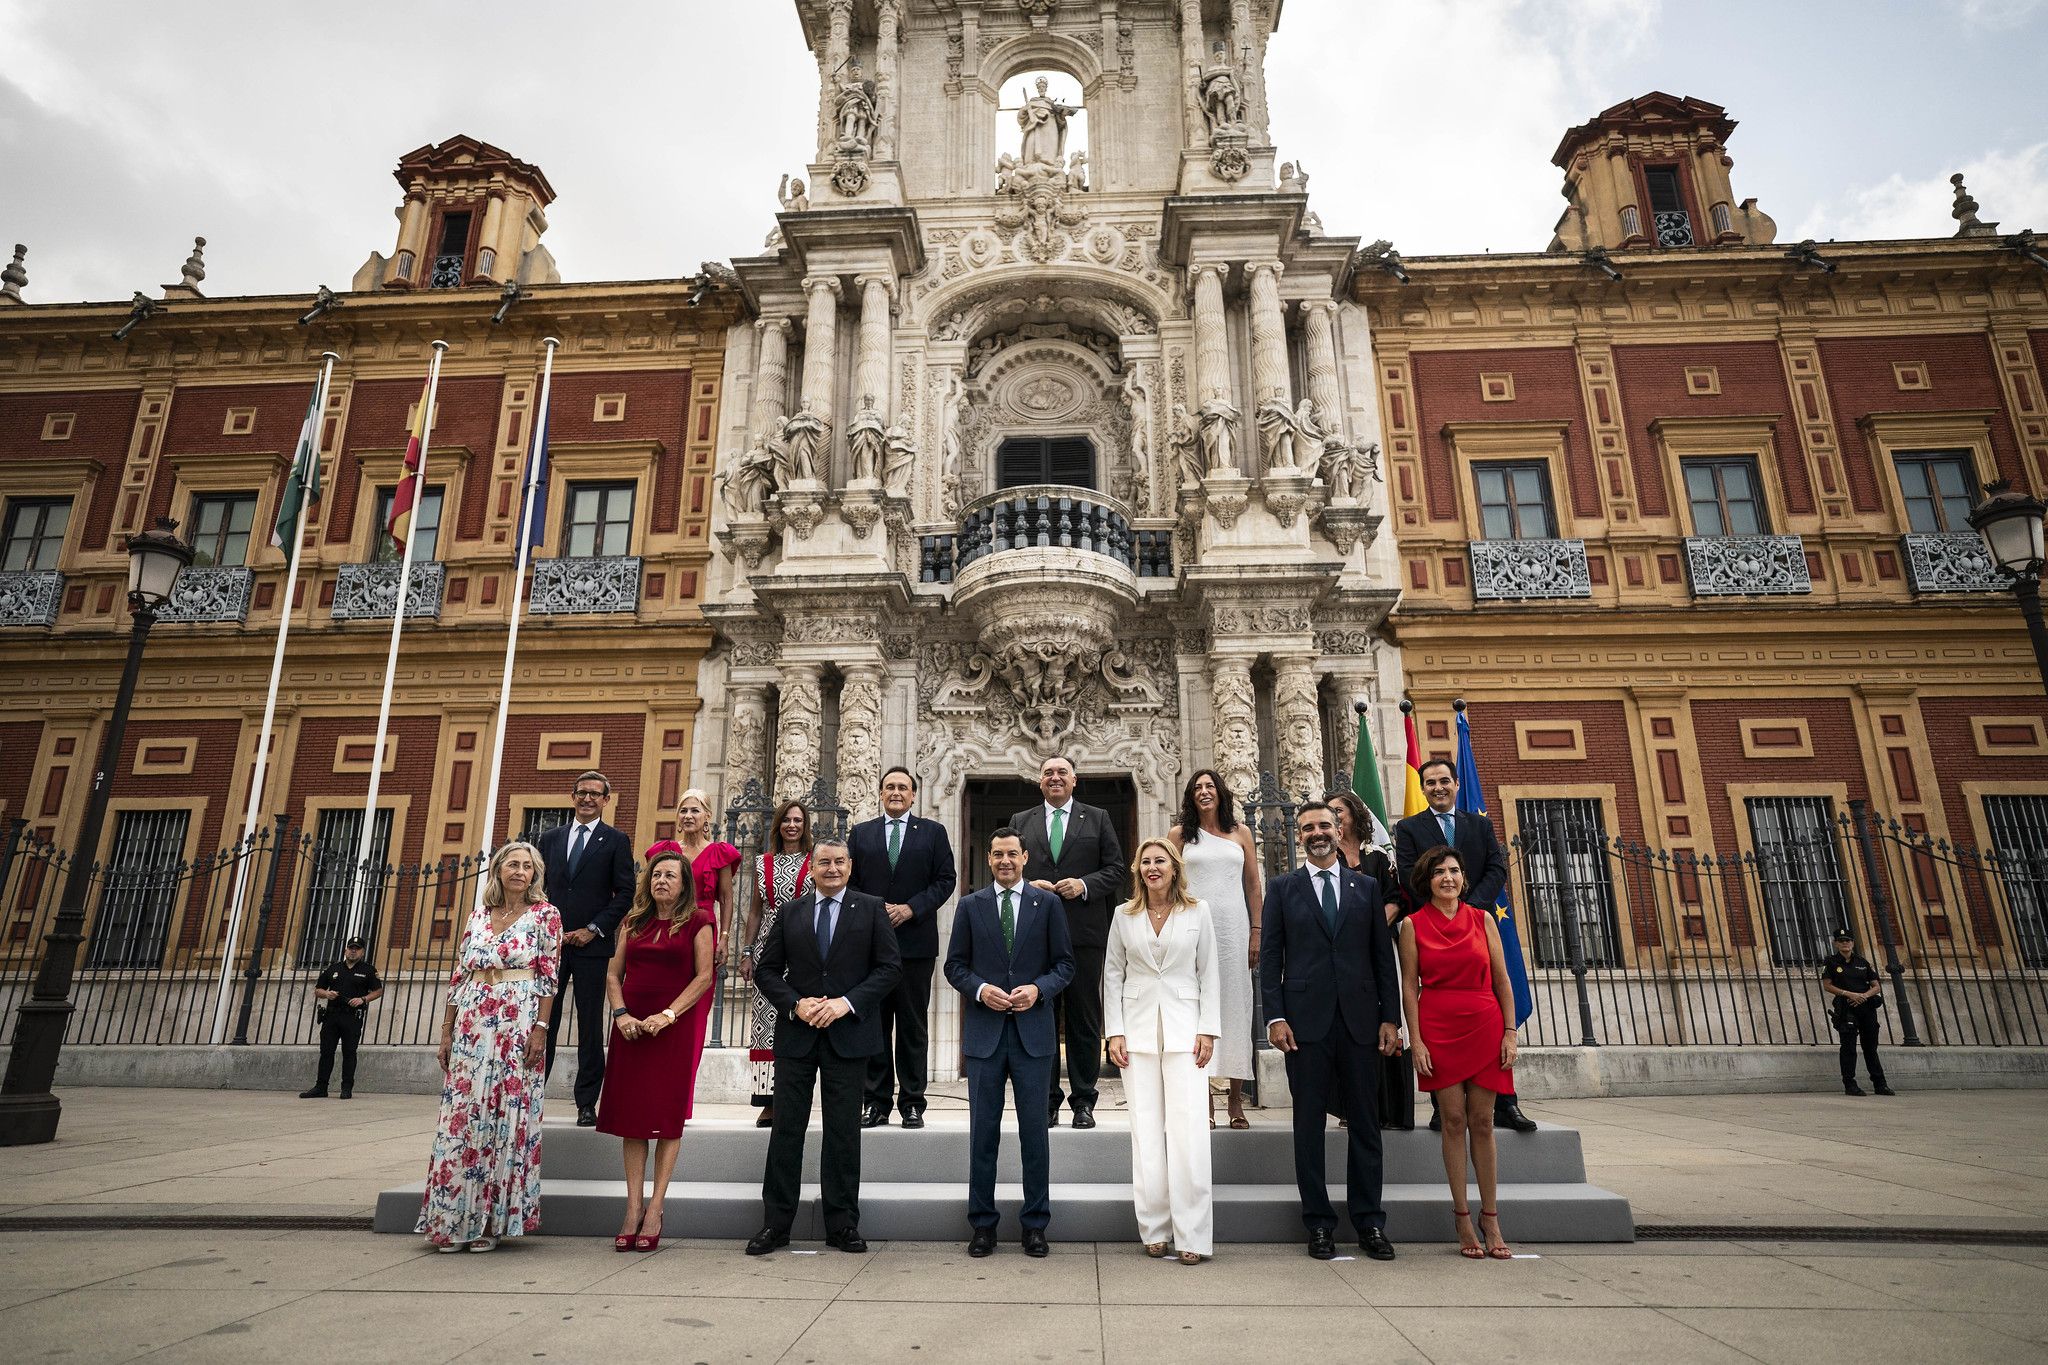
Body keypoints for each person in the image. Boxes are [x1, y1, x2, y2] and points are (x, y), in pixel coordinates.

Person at [746, 837, 902, 1256]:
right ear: (811, 869)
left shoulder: (871, 908)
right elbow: (767, 971)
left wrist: (844, 1004)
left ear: (850, 867)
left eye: (839, 862)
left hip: (848, 1036)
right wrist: (795, 1004)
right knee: (786, 1131)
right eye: (823, 863)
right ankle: (776, 1225)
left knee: (843, 1133)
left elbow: (889, 969)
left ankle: (842, 1224)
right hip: (798, 1035)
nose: (831, 869)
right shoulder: (790, 911)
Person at [1260, 801, 1401, 1262]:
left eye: (1324, 825)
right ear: (1298, 836)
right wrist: (1275, 1017)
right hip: (1304, 1025)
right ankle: (1318, 1223)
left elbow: (1384, 959)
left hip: (1361, 1021)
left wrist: (1390, 1018)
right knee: (1308, 1126)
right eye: (1308, 828)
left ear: (1339, 831)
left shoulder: (1365, 888)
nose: (1317, 833)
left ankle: (1369, 1222)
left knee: (1365, 1124)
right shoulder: (1282, 889)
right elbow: (1271, 959)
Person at [417, 841, 561, 1252]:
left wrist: (540, 1029)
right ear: (498, 871)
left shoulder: (545, 916)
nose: (520, 871)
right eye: (512, 864)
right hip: (471, 1020)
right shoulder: (477, 917)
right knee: (462, 1118)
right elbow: (459, 975)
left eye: (528, 866)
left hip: (518, 1020)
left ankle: (487, 1224)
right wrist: (446, 1030)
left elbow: (549, 978)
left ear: (535, 875)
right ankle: (451, 1221)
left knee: (502, 1116)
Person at [945, 826, 1075, 1258]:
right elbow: (955, 967)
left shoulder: (1049, 904)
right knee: (983, 1135)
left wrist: (1039, 989)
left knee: (1034, 1135)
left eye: (1012, 854)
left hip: (1033, 1037)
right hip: (985, 1037)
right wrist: (980, 990)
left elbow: (1064, 965)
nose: (1004, 861)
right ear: (989, 858)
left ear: (1025, 858)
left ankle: (1035, 1225)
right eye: (997, 854)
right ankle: (982, 1226)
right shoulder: (969, 906)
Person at [1394, 759, 1537, 1136]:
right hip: (1434, 925)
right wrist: (1445, 904)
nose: (1438, 787)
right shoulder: (1409, 828)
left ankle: (1507, 1103)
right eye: (1430, 783)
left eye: (1444, 781)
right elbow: (1409, 874)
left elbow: (1496, 867)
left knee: (1491, 1003)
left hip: (1478, 922)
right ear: (1422, 789)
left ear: (1457, 784)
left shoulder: (1481, 824)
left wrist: (1468, 906)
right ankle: (1445, 1109)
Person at [595, 840, 718, 1252]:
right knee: (632, 1119)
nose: (661, 880)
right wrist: (621, 1014)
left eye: (671, 875)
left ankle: (656, 1207)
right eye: (656, 874)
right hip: (630, 1027)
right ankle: (632, 1208)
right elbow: (613, 974)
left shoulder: (699, 920)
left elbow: (703, 977)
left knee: (665, 1119)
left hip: (673, 1028)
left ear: (684, 885)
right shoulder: (634, 920)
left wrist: (667, 1015)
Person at [1399, 846, 1520, 1260]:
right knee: (1453, 1120)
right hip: (1438, 1027)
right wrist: (1416, 1040)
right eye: (1439, 873)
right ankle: (1462, 1216)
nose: (1447, 878)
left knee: (1483, 1122)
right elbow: (1410, 988)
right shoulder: (1412, 926)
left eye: (1454, 871)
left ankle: (1491, 1216)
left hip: (1485, 1025)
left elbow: (1503, 981)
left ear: (1463, 878)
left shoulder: (1482, 919)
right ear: (1427, 880)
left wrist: (1510, 1033)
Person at [1105, 839, 1220, 1263]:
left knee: (1189, 1135)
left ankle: (1192, 1236)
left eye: (1161, 861)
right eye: (1146, 862)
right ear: (1138, 870)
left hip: (1187, 1032)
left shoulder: (1198, 911)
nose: (1153, 868)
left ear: (1174, 869)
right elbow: (1113, 974)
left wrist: (1208, 1029)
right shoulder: (1123, 915)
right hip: (1135, 1035)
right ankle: (1153, 1227)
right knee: (1146, 1133)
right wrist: (1114, 1032)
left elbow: (1209, 971)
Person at [1011, 755, 1126, 1129]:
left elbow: (1117, 870)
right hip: (1035, 934)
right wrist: (1027, 885)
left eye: (1062, 772)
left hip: (1084, 935)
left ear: (1075, 780)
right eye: (1048, 773)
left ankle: (1083, 1101)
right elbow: (1009, 869)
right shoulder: (1021, 822)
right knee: (1040, 1019)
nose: (1055, 778)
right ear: (1039, 781)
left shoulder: (1098, 818)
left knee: (1083, 1020)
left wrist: (1085, 884)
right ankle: (1046, 1102)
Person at [851, 766, 958, 1129]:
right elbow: (848, 882)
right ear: (880, 793)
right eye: (889, 787)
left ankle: (913, 1103)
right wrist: (874, 908)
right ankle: (876, 1102)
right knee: (875, 1025)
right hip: (871, 946)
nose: (896, 792)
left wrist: (912, 907)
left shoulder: (932, 832)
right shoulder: (861, 834)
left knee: (913, 1026)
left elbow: (946, 880)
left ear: (914, 794)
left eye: (903, 787)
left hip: (915, 944)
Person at [538, 771, 635, 1127]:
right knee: (543, 1021)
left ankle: (586, 1102)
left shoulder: (615, 841)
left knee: (590, 1026)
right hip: (551, 947)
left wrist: (593, 929)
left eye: (596, 794)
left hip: (593, 948)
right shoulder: (550, 838)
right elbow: (539, 888)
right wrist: (551, 928)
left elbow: (625, 893)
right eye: (582, 793)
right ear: (572, 796)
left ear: (606, 800)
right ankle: (534, 1096)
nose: (588, 799)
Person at [1167, 770, 1260, 1129]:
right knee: (1196, 1012)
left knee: (1236, 1009)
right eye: (1197, 788)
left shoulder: (1241, 832)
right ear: (1190, 796)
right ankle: (1203, 1099)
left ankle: (1236, 1100)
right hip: (1192, 930)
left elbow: (1253, 885)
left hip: (1234, 929)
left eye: (1210, 787)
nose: (1204, 792)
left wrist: (1256, 931)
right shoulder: (1179, 835)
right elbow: (1168, 882)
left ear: (1220, 793)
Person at [1328, 789, 1415, 1131]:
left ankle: (1391, 1108)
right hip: (1343, 956)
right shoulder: (1327, 859)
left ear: (1354, 814)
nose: (1335, 817)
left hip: (1378, 949)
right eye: (1329, 811)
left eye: (1340, 811)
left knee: (1386, 1020)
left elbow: (1394, 900)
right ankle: (1353, 1106)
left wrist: (1371, 928)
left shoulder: (1377, 857)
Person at [743, 799, 813, 1127]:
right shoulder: (762, 863)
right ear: (778, 825)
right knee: (766, 1027)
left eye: (798, 820)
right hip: (768, 950)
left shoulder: (814, 862)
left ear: (805, 825)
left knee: (798, 1020)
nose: (792, 825)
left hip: (803, 948)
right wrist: (746, 951)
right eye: (786, 820)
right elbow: (755, 912)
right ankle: (768, 1102)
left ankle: (794, 1095)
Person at [299, 934, 382, 1100]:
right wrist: (326, 994)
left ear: (362, 952)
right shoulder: (334, 969)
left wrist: (363, 999)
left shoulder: (368, 970)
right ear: (345, 950)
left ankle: (346, 1088)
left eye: (356, 949)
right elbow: (318, 989)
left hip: (352, 1017)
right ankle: (321, 1087)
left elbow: (378, 991)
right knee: (326, 1052)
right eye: (351, 948)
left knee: (349, 1052)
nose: (353, 951)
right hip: (332, 1015)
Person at [1822, 928, 1894, 1096]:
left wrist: (1863, 996)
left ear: (1853, 943)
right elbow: (1827, 985)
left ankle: (1880, 1083)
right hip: (1846, 1007)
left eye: (1847, 940)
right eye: (1841, 940)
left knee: (1870, 1046)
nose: (1844, 943)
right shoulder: (1831, 962)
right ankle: (1850, 1084)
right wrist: (1849, 994)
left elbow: (1876, 986)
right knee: (1848, 1047)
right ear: (1836, 943)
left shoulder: (1862, 962)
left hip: (1866, 1007)